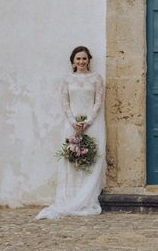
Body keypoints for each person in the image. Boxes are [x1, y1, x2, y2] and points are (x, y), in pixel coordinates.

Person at [36, 46, 105, 219]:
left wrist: (88, 121)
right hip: (72, 124)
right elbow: (65, 102)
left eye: (84, 58)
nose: (81, 62)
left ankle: (87, 198)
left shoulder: (96, 78)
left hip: (92, 124)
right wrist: (73, 121)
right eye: (78, 59)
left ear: (89, 59)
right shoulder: (67, 79)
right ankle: (72, 197)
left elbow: (98, 102)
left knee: (91, 158)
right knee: (73, 158)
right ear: (73, 61)